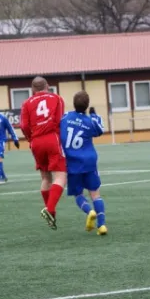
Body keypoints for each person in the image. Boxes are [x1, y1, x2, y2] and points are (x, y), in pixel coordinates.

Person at [20, 76, 66, 230]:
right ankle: (50, 209)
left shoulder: (26, 103)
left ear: (33, 89)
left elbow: (24, 125)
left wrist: (30, 139)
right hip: (52, 138)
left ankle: (51, 215)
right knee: (60, 176)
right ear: (47, 86)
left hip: (36, 141)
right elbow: (60, 121)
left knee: (45, 177)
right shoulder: (57, 98)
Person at [60, 91, 107, 236]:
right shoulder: (89, 122)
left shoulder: (65, 117)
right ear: (87, 105)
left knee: (78, 194)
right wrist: (93, 114)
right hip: (89, 162)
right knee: (95, 194)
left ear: (74, 104)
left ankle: (89, 211)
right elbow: (100, 129)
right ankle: (102, 225)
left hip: (72, 163)